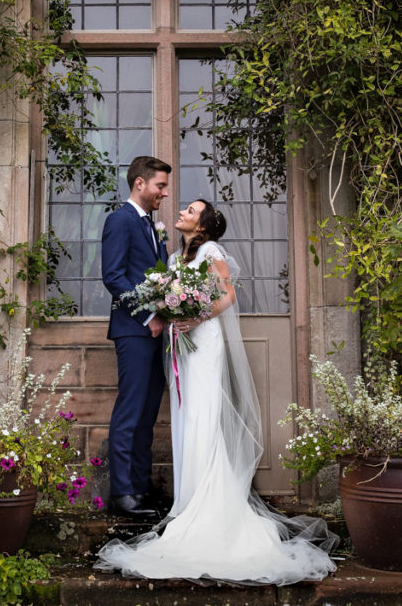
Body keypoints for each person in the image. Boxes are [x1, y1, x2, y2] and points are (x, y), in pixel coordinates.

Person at [95, 199, 339, 584]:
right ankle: (189, 499)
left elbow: (227, 297)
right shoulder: (176, 259)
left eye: (192, 210)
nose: (183, 211)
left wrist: (195, 316)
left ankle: (211, 503)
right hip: (181, 344)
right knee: (186, 414)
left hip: (204, 341)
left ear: (204, 226)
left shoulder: (209, 251)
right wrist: (171, 310)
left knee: (204, 413)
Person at [101, 155, 172, 519]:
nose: (164, 193)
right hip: (134, 330)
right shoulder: (120, 220)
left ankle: (141, 489)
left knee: (147, 413)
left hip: (155, 331)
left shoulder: (154, 227)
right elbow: (113, 277)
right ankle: (122, 493)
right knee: (130, 409)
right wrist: (147, 316)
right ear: (140, 184)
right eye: (160, 186)